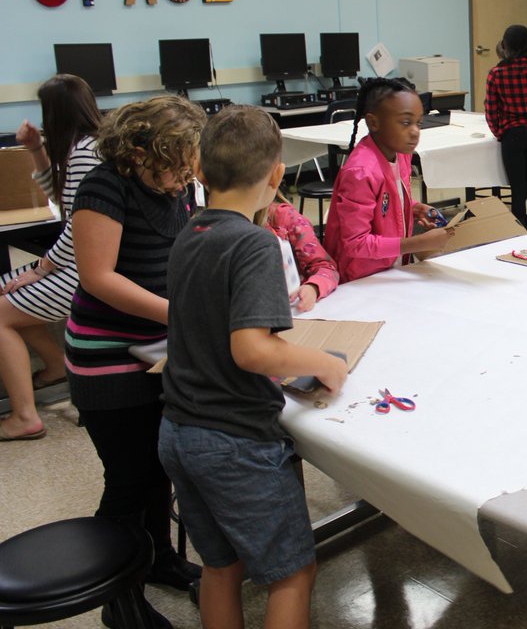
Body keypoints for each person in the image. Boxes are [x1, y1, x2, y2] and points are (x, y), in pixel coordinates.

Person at [159, 106, 348, 629]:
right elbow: (254, 351)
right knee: (292, 573)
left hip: (179, 430)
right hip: (233, 441)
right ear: (276, 175)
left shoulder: (189, 234)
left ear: (199, 170)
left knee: (221, 566)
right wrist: (324, 364)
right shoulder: (253, 242)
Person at [66, 95, 207, 618]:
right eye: (174, 164)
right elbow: (99, 278)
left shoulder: (175, 187)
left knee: (159, 467)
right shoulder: (105, 186)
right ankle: (117, 596)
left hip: (153, 348)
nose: (181, 178)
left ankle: (158, 560)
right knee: (130, 479)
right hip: (106, 357)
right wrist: (178, 314)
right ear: (141, 149)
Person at [0, 75, 101, 441]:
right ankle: (56, 366)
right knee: (7, 292)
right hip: (80, 264)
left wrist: (40, 269)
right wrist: (37, 150)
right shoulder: (87, 147)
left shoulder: (87, 153)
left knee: (1, 311)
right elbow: (62, 197)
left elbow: (78, 227)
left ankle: (25, 416)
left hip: (85, 272)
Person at [324, 77, 453, 282]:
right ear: (374, 122)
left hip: (392, 269)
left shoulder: (401, 154)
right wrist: (418, 243)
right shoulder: (361, 172)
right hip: (362, 280)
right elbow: (355, 244)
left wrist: (413, 207)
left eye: (418, 123)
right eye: (405, 122)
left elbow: (386, 201)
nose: (415, 132)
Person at [485, 25, 527, 232]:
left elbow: (491, 109)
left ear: (505, 46)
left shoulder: (496, 73)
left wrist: (500, 132)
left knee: (518, 188)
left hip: (511, 135)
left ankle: (519, 231)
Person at [258, 191, 339, 313]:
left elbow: (326, 267)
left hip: (292, 314)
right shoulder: (224, 227)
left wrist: (313, 287)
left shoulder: (285, 218)